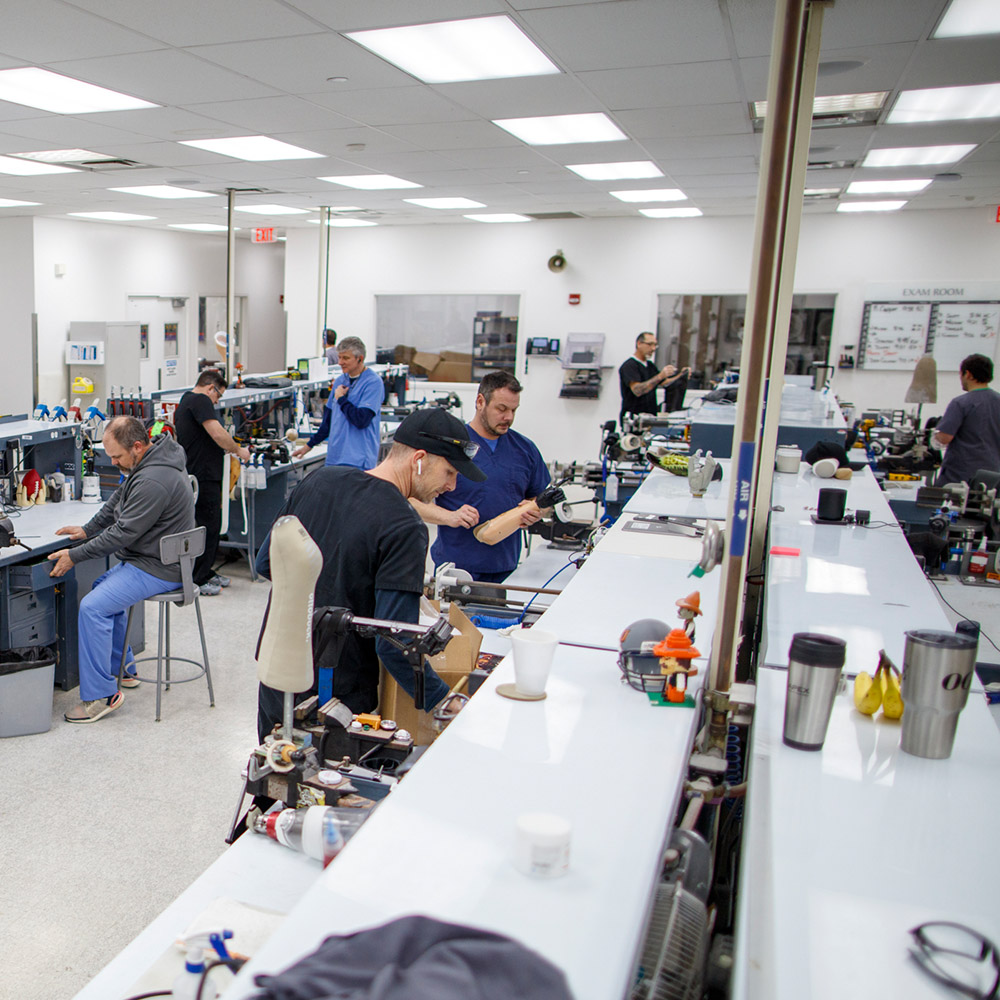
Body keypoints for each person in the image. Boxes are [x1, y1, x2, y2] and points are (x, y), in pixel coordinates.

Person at [254, 407, 486, 740]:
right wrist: (445, 702)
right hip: (336, 693)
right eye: (449, 472)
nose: (452, 486)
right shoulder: (405, 526)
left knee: (274, 764)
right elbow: (394, 642)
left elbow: (266, 563)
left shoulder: (320, 479)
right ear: (419, 459)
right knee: (326, 772)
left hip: (276, 668)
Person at [47, 416, 195, 724]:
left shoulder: (153, 481)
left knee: (93, 607)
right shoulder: (151, 460)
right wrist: (87, 530)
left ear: (137, 446)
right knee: (101, 589)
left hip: (161, 567)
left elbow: (122, 534)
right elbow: (118, 499)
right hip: (153, 558)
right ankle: (123, 669)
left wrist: (74, 556)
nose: (113, 463)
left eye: (116, 457)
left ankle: (102, 697)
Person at [412, 371, 549, 584]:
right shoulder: (450, 447)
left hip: (505, 567)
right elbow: (411, 502)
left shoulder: (525, 449)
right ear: (480, 402)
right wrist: (449, 517)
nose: (509, 417)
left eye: (513, 410)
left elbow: (543, 500)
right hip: (456, 569)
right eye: (501, 409)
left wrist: (537, 511)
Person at [173, 369, 251, 596]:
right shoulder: (200, 400)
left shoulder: (186, 401)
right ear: (210, 388)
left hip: (200, 473)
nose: (217, 401)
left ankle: (205, 571)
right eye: (218, 395)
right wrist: (238, 450)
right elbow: (217, 433)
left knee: (209, 525)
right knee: (207, 526)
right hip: (204, 475)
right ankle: (199, 578)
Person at [292, 335, 385, 470]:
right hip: (335, 458)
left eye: (345, 358)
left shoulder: (373, 382)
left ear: (360, 359)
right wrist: (308, 446)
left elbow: (361, 420)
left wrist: (341, 399)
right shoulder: (340, 381)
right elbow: (328, 422)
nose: (340, 362)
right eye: (339, 357)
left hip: (358, 461)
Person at [933, 353, 1000, 486]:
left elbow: (945, 438)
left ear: (968, 374)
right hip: (992, 476)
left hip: (960, 475)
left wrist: (934, 435)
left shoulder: (960, 403)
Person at [619, 332, 690, 423]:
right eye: (649, 344)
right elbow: (637, 390)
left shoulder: (650, 366)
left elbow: (665, 383)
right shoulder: (629, 366)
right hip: (634, 418)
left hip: (650, 417)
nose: (653, 348)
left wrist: (681, 375)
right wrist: (660, 376)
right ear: (639, 344)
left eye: (655, 345)